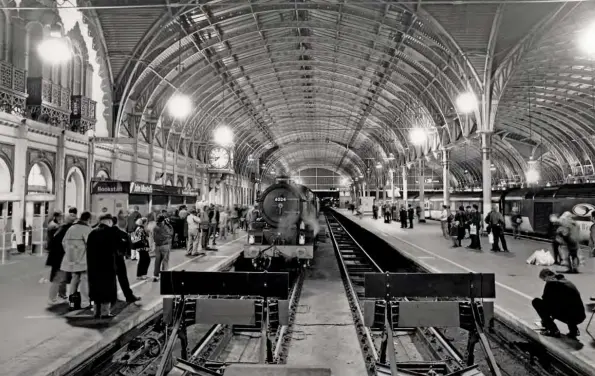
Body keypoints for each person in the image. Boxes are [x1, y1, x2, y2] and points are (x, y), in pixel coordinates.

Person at [532, 268, 585, 338]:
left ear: (547, 276)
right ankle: (574, 331)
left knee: (536, 302)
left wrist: (546, 321)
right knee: (567, 305)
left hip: (569, 316)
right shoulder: (566, 281)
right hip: (580, 316)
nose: (545, 281)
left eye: (544, 279)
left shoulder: (551, 284)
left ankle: (553, 330)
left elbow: (546, 303)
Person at [87, 213, 119, 318]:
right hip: (107, 266)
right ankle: (105, 312)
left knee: (96, 288)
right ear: (109, 222)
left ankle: (96, 312)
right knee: (107, 289)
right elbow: (116, 249)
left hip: (94, 266)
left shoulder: (92, 233)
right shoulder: (111, 232)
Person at [60, 211, 93, 310]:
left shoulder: (71, 228)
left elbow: (63, 242)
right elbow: (90, 244)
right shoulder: (86, 229)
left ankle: (72, 302)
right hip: (82, 259)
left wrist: (70, 252)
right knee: (84, 279)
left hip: (71, 259)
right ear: (88, 219)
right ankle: (85, 303)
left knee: (74, 279)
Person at [47, 214, 76, 304]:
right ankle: (53, 297)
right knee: (59, 277)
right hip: (61, 257)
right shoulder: (68, 230)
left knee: (61, 277)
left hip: (57, 257)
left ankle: (60, 295)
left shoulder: (61, 228)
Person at [111, 216, 141, 303]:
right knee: (123, 278)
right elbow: (128, 248)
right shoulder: (122, 234)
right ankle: (129, 296)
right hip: (119, 258)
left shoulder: (102, 233)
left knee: (111, 279)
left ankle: (113, 298)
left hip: (107, 259)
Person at [152, 214, 173, 282]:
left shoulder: (155, 227)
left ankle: (155, 275)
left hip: (157, 246)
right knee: (165, 261)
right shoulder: (165, 227)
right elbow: (171, 233)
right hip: (165, 246)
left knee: (157, 261)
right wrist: (169, 224)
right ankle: (164, 275)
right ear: (163, 220)